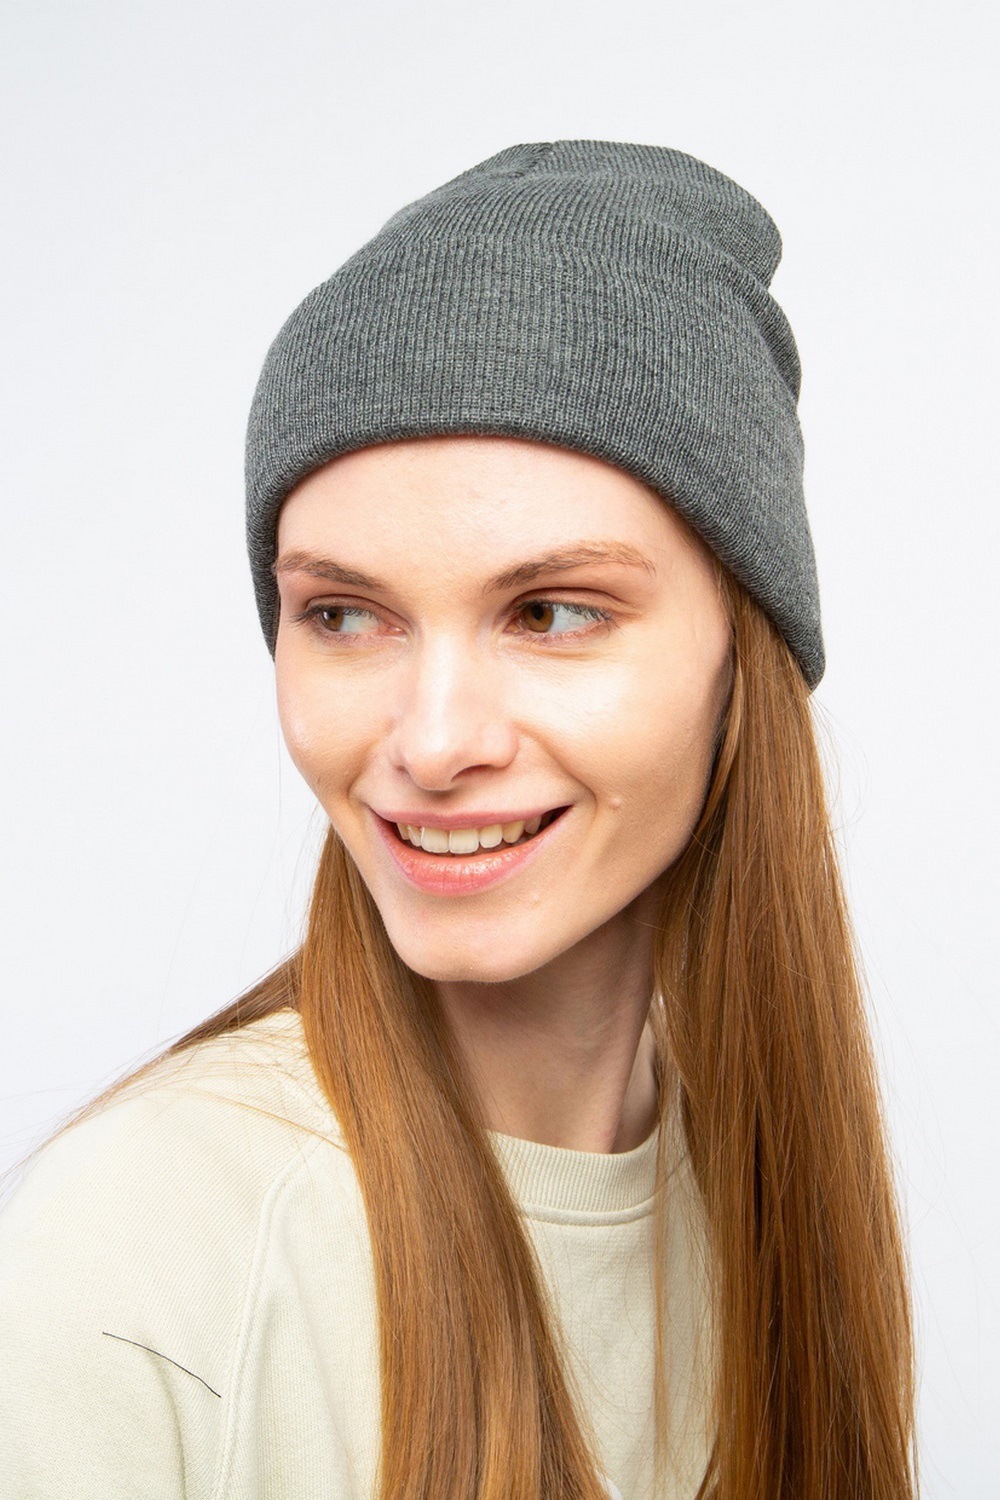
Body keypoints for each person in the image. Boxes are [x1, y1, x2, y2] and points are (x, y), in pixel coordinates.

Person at [0, 140, 920, 1499]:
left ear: (746, 656)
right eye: (343, 615)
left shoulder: (754, 1183)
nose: (431, 745)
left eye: (551, 612)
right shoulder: (139, 1260)